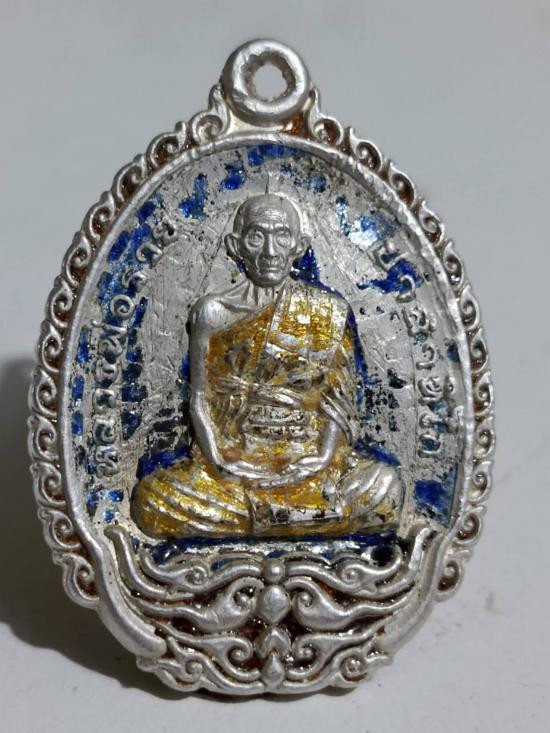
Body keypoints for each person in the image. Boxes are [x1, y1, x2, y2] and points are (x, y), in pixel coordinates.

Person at [132, 193, 402, 538]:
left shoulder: (326, 311)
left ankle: (265, 520)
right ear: (236, 246)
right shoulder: (213, 313)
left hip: (309, 470)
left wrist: (321, 459)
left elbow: (336, 402)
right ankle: (302, 521)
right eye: (257, 237)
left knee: (384, 488)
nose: (270, 251)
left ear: (299, 246)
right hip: (235, 470)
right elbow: (198, 398)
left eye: (282, 236)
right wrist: (219, 462)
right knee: (152, 501)